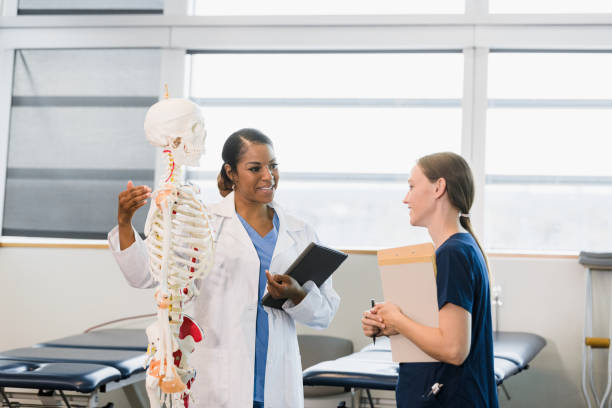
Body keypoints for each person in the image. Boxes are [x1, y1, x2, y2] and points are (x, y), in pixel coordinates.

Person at [108, 128, 340, 408]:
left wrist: (298, 294)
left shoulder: (301, 232)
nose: (268, 176)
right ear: (231, 173)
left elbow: (324, 314)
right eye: (255, 168)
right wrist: (124, 223)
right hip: (218, 378)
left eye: (273, 166)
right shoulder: (203, 225)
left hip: (276, 378)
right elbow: (144, 275)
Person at [362, 152, 498, 407]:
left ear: (439, 187)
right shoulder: (460, 248)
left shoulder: (453, 253)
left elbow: (453, 349)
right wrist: (388, 325)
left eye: (412, 186)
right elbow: (439, 332)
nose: (406, 198)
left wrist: (398, 319)